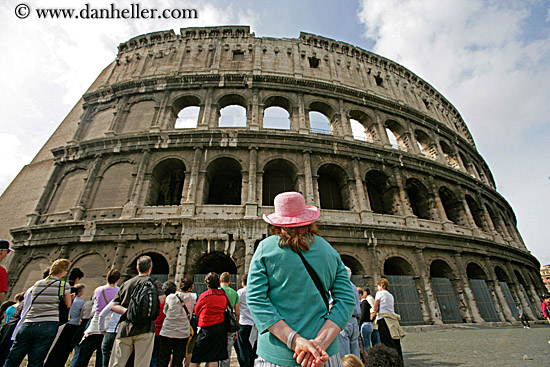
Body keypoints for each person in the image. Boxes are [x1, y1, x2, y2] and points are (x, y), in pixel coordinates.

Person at [247, 191, 356, 367]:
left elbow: (255, 300)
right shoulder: (328, 250)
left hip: (277, 353)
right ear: (308, 218)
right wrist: (320, 344)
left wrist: (295, 341)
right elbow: (346, 300)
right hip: (324, 354)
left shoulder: (265, 248)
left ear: (277, 221)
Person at [4, 259, 72, 367]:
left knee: (14, 357)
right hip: (48, 323)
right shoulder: (63, 285)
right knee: (36, 360)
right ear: (63, 271)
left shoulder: (37, 284)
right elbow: (68, 305)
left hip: (29, 322)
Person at [110, 255, 165, 367]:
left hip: (126, 327)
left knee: (117, 362)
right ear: (150, 268)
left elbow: (113, 306)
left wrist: (128, 312)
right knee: (141, 363)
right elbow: (161, 300)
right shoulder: (154, 283)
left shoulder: (127, 283)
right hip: (147, 327)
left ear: (137, 268)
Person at [75, 268, 121, 367]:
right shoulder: (119, 291)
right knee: (102, 358)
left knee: (83, 356)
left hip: (94, 325)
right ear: (118, 280)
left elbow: (94, 305)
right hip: (109, 326)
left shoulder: (98, 290)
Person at [189, 272, 228, 367]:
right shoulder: (223, 295)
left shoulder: (204, 296)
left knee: (196, 357)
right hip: (219, 329)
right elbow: (224, 308)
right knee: (214, 357)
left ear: (207, 283)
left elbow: (196, 311)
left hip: (206, 328)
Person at [44, 283, 86, 367]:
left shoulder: (66, 299)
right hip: (73, 326)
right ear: (80, 292)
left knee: (57, 346)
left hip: (64, 325)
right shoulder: (81, 302)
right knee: (66, 349)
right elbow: (82, 315)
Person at [159, 280, 193, 367]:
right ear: (190, 288)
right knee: (178, 360)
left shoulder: (171, 297)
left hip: (167, 331)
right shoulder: (192, 298)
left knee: (163, 358)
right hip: (182, 333)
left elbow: (165, 311)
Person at [373, 279, 405, 362]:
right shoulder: (390, 295)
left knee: (387, 342)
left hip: (384, 319)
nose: (378, 288)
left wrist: (374, 312)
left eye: (378, 286)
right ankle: (399, 361)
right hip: (393, 320)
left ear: (381, 285)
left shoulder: (379, 293)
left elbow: (375, 306)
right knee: (396, 342)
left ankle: (391, 362)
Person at [338, 267, 361, 359]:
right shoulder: (354, 287)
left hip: (344, 320)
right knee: (355, 353)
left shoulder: (340, 285)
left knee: (345, 355)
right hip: (354, 321)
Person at [152, 281, 176, 367]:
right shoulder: (173, 304)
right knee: (164, 358)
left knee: (154, 357)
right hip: (165, 333)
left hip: (155, 332)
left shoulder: (157, 301)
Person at [234, 275, 257, 367]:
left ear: (243, 283)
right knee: (251, 347)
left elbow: (236, 307)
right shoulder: (255, 292)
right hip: (253, 324)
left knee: (242, 348)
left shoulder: (240, 292)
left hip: (243, 322)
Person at [220, 272, 240, 367]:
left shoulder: (217, 291)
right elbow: (237, 312)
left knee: (215, 348)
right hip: (229, 323)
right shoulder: (234, 293)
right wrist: (236, 325)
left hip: (218, 322)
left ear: (220, 280)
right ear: (229, 281)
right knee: (227, 350)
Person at [99, 300, 123, 367]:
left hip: (110, 332)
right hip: (122, 333)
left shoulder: (116, 301)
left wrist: (102, 329)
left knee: (106, 360)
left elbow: (102, 315)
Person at [180, 278, 197, 367]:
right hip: (190, 327)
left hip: (176, 328)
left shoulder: (173, 296)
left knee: (175, 352)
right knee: (190, 350)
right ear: (192, 287)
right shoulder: (194, 297)